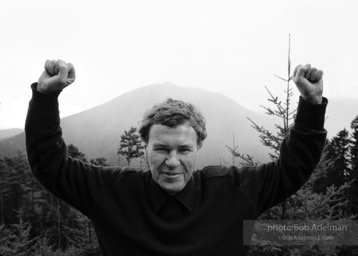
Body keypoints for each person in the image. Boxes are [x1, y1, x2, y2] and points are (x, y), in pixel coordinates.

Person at [25, 59, 327, 256]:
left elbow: (292, 168)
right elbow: (50, 165)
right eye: (161, 149)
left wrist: (312, 105)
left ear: (198, 148)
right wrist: (45, 95)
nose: (172, 161)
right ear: (145, 148)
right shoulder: (113, 192)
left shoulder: (234, 191)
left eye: (183, 150)